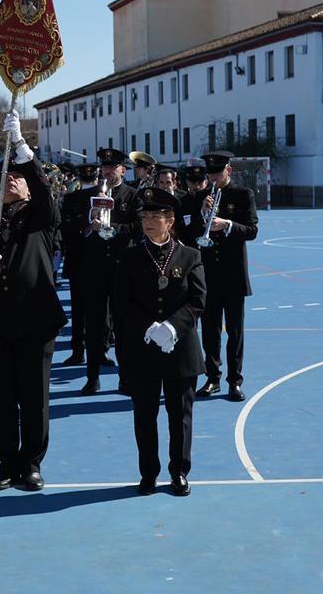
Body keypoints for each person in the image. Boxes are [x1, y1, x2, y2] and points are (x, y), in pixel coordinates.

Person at [0, 111, 66, 491]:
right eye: (5, 175)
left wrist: (22, 146)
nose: (10, 179)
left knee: (35, 399)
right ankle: (6, 462)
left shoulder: (41, 219)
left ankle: (32, 462)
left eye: (17, 176)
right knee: (0, 400)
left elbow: (43, 188)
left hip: (35, 321)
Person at [113, 187, 206, 496]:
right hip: (143, 347)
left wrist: (172, 327)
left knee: (180, 416)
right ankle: (148, 472)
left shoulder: (190, 255)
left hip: (181, 349)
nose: (148, 222)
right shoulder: (130, 256)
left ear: (171, 220)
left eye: (156, 217)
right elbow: (121, 301)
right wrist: (150, 327)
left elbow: (198, 299)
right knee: (145, 414)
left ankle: (179, 471)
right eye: (145, 217)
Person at [187, 151, 259, 402]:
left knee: (235, 332)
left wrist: (226, 224)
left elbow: (252, 230)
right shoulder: (201, 197)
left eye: (218, 173)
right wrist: (202, 214)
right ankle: (212, 378)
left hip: (233, 274)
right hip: (208, 274)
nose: (213, 178)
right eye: (210, 174)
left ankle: (235, 381)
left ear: (229, 170)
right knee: (210, 330)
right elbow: (192, 232)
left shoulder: (243, 194)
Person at [78, 148, 141, 395]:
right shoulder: (90, 195)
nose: (107, 171)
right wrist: (90, 220)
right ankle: (92, 377)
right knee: (93, 326)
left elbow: (138, 228)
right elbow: (76, 228)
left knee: (123, 326)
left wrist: (111, 228)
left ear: (123, 170)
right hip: (95, 268)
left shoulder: (133, 195)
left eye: (112, 167)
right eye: (104, 167)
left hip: (121, 267)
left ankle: (125, 377)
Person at [57, 162, 100, 366]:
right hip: (78, 258)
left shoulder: (105, 196)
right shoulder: (70, 198)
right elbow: (65, 228)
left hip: (101, 259)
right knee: (78, 309)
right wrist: (87, 219)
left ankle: (100, 349)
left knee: (101, 310)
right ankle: (78, 349)